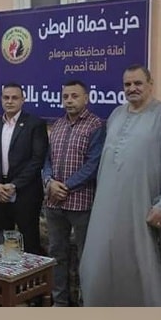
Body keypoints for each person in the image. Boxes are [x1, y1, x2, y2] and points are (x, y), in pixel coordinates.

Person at [79, 65, 161, 307]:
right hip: (108, 207)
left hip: (145, 205)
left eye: (138, 83)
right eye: (127, 84)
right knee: (103, 259)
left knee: (146, 263)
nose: (132, 88)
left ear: (150, 84)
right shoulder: (116, 115)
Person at [41, 80, 104, 306]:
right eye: (65, 96)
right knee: (56, 255)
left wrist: (65, 186)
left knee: (85, 257)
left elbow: (93, 164)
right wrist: (49, 182)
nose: (69, 101)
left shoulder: (96, 125)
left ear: (86, 98)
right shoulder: (57, 125)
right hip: (54, 204)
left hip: (81, 204)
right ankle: (60, 302)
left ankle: (86, 303)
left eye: (74, 96)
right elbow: (46, 160)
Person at [0, 83, 48, 256]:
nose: (9, 101)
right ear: (1, 100)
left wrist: (14, 185)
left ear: (23, 100)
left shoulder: (35, 124)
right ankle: (4, 270)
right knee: (1, 241)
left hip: (25, 193)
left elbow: (37, 160)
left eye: (14, 98)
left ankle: (30, 273)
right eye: (6, 97)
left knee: (29, 242)